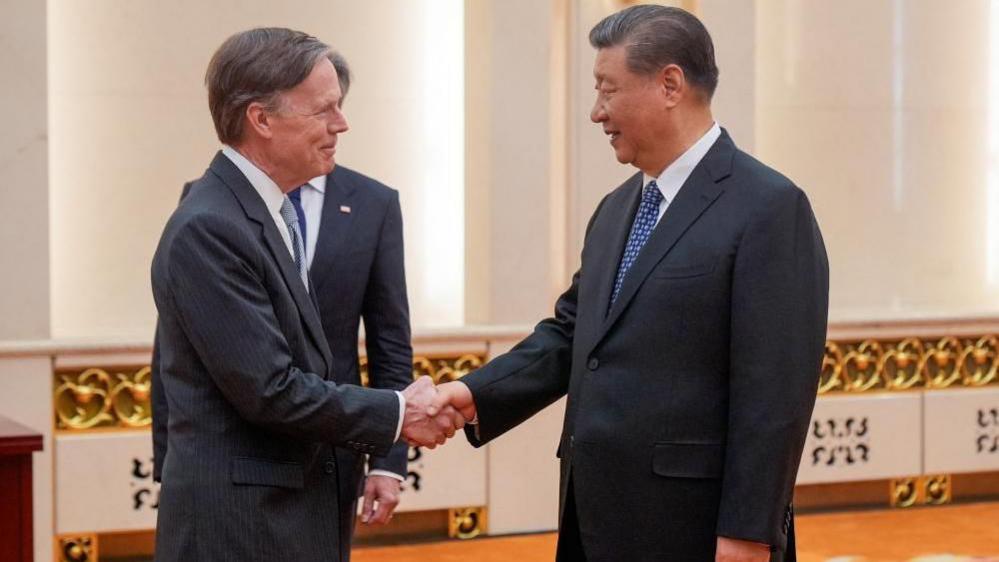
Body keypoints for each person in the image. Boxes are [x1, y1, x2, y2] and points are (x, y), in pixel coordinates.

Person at [431, 5, 829, 561]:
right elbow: (573, 334)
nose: (596, 112)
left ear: (670, 84)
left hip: (696, 529)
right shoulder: (616, 210)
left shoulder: (768, 207)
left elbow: (776, 393)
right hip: (593, 517)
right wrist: (474, 393)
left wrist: (748, 532)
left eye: (607, 90)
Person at [149, 28, 459, 562]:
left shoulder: (261, 212)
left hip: (295, 508)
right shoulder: (211, 227)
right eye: (323, 110)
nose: (341, 124)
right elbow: (269, 388)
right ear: (261, 119)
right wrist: (396, 412)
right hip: (243, 525)